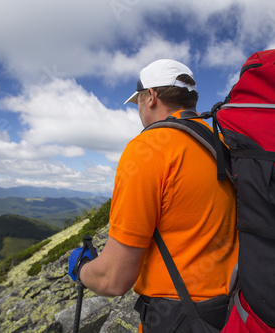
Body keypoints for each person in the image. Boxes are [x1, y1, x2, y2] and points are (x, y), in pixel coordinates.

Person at [69, 59, 239, 332]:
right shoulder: (221, 143)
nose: (138, 110)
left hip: (178, 315)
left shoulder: (147, 149)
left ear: (151, 97)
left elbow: (114, 279)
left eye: (137, 101)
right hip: (235, 307)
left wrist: (81, 268)